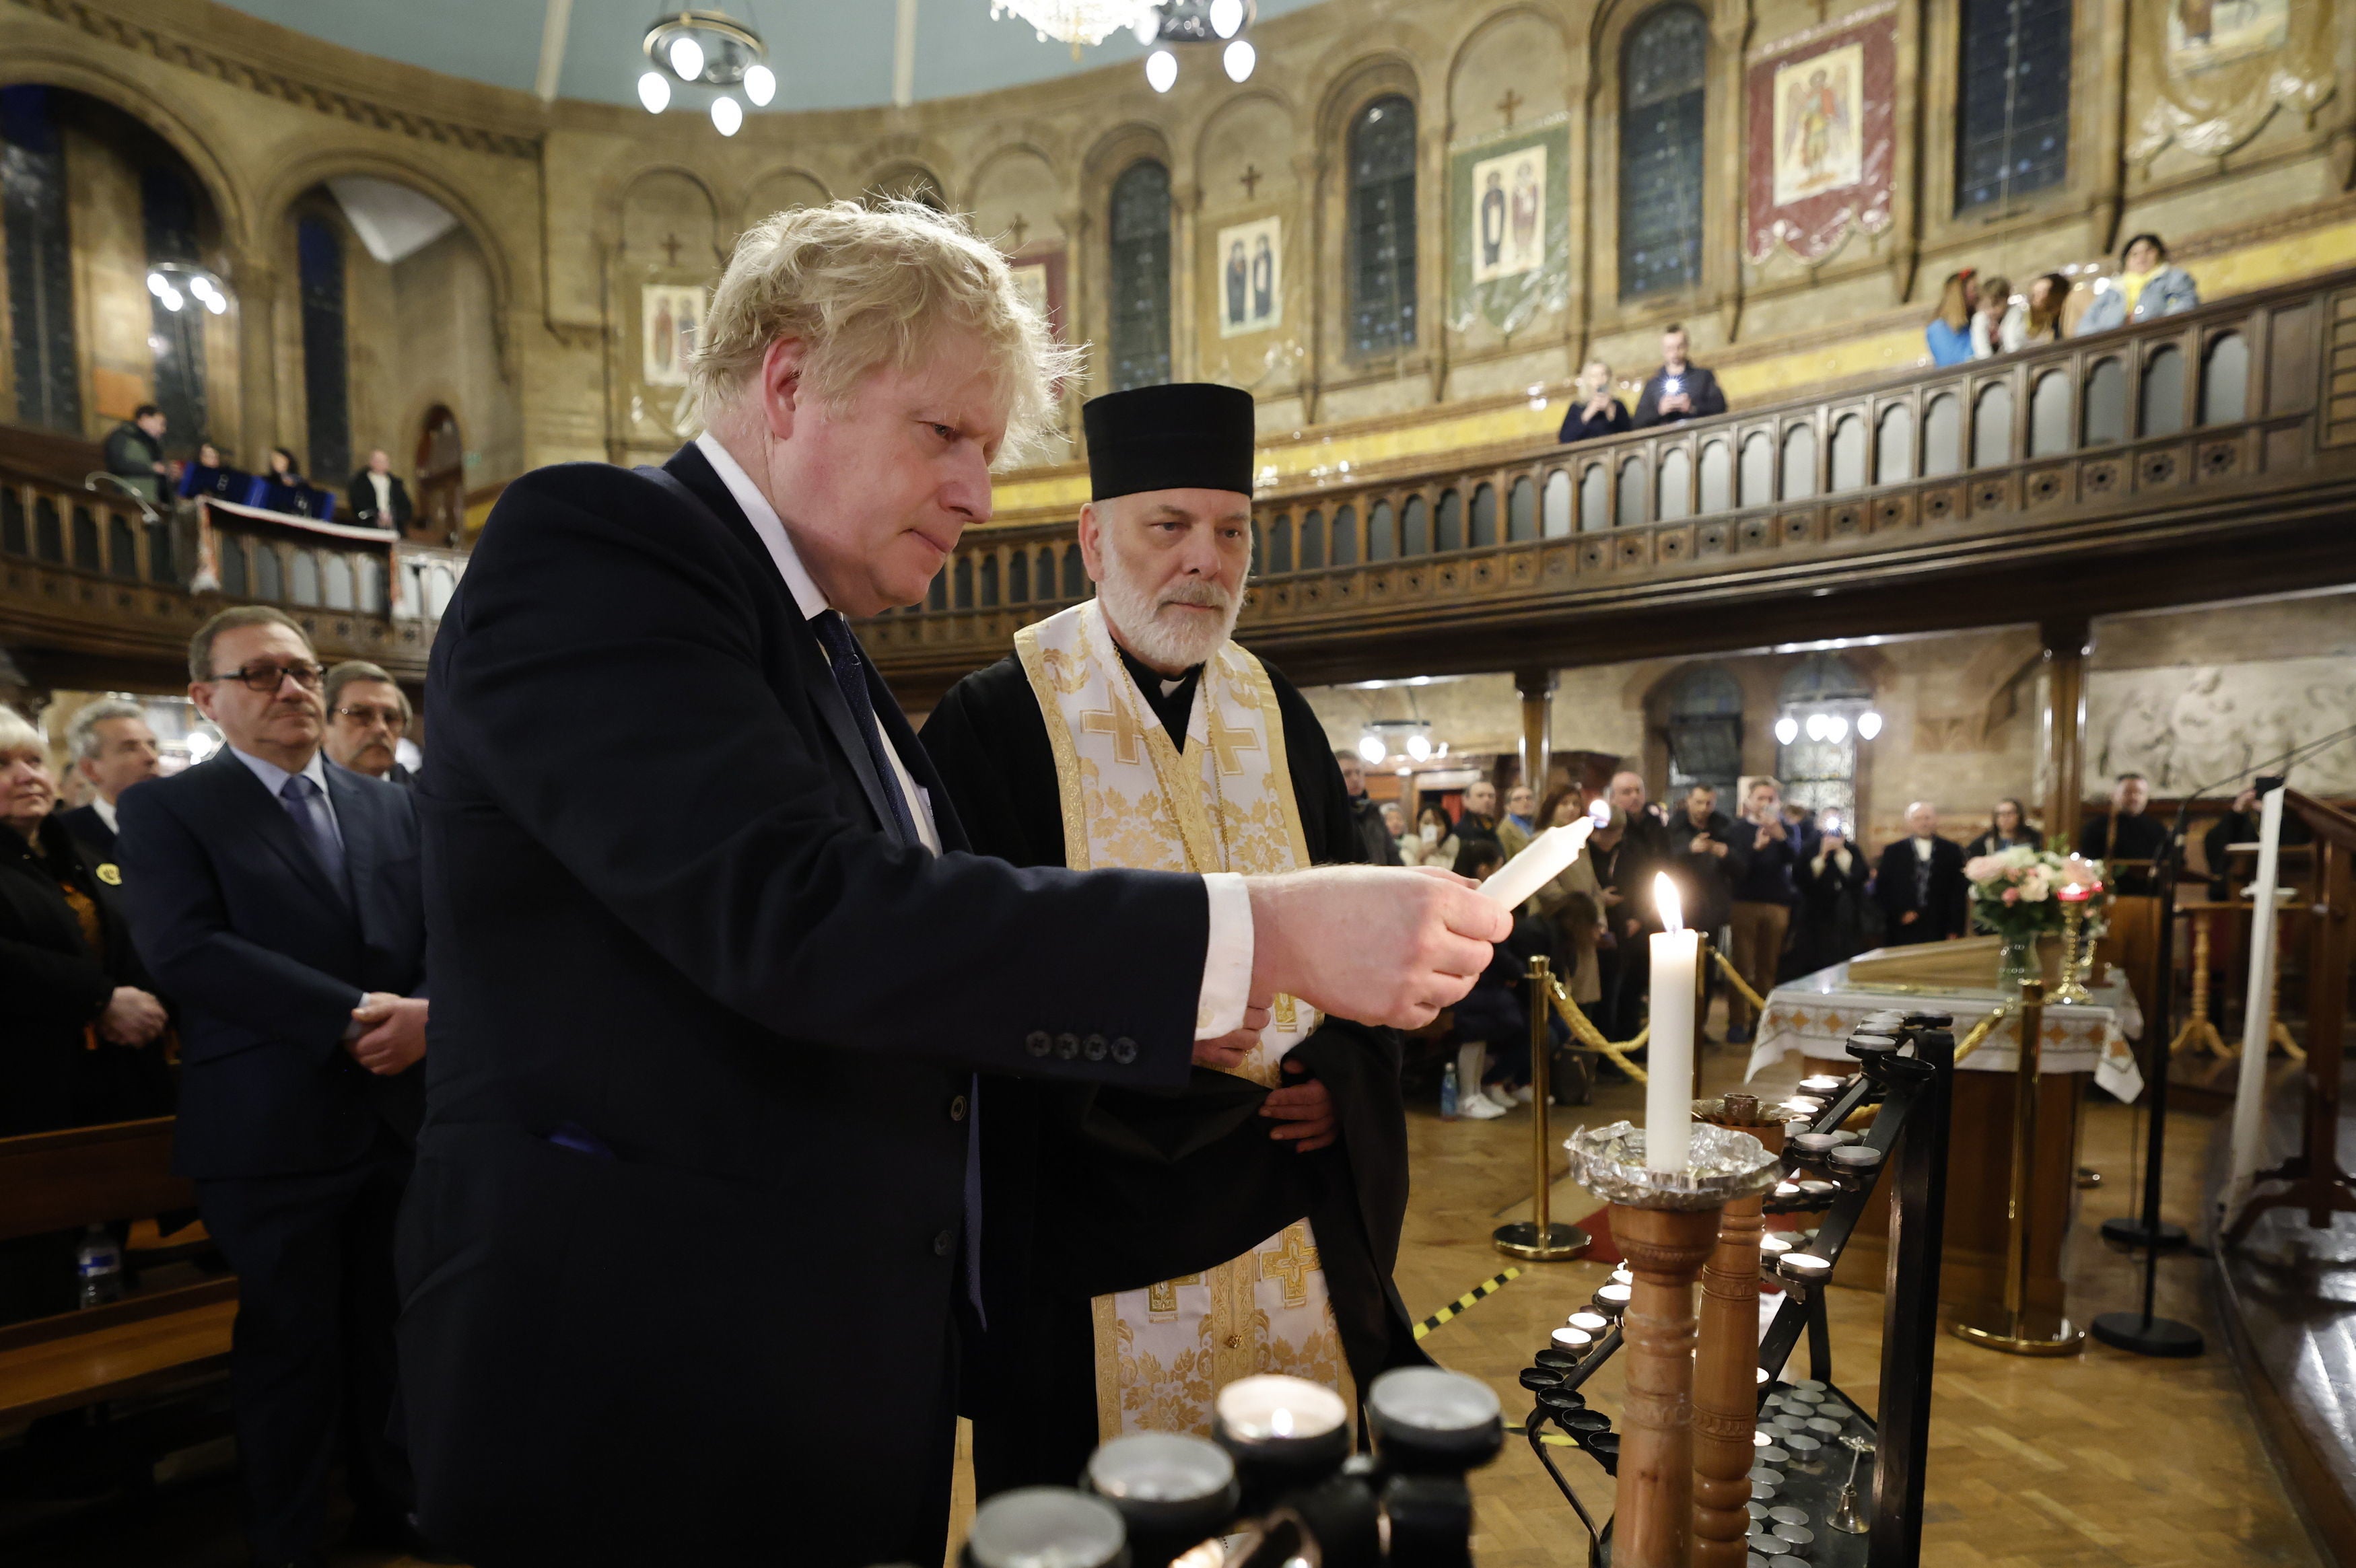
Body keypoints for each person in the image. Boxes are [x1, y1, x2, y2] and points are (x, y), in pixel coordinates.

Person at [394, 200, 1506, 1568]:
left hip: (823, 1365)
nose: (981, 497)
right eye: (949, 436)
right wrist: (1266, 930)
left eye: (990, 451)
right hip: (653, 1380)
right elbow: (806, 915)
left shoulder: (825, 647)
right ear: (790, 379)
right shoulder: (600, 550)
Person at [922, 381, 1430, 1493]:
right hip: (1094, 1229)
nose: (1208, 560)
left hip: (1290, 1207)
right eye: (1172, 526)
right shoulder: (998, 719)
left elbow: (1356, 934)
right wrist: (1139, 1047)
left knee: (1291, 1513)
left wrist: (1341, 1079)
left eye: (1232, 531)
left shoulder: (1278, 711)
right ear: (1093, 540)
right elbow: (966, 980)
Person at [115, 605, 433, 1567]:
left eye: (303, 670)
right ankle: (288, 1537)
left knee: (392, 1342)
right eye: (260, 674)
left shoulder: (389, 801)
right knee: (292, 1349)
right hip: (268, 1120)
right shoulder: (169, 808)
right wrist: (351, 1014)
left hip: (393, 1111)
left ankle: (397, 1517)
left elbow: (447, 930)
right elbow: (184, 949)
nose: (294, 688)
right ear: (204, 698)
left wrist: (426, 1014)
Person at [0, 707, 174, 1325]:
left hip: (98, 1083)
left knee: (98, 1249)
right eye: (3, 765)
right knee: (31, 1270)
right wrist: (98, 998)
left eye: (33, 761)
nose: (26, 775)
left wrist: (140, 998)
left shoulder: (62, 850)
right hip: (21, 1094)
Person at [1724, 777, 1797, 1044]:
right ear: (1749, 802)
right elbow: (1736, 866)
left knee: (1768, 966)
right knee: (1742, 964)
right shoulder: (1737, 830)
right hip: (1745, 902)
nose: (1765, 804)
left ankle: (1762, 1020)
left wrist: (1781, 838)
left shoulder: (1785, 829)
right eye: (1760, 798)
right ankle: (1737, 1022)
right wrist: (1756, 850)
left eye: (1770, 799)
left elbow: (1796, 860)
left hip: (1777, 903)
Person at [1669, 784, 1738, 1032]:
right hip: (1679, 908)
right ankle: (1676, 1025)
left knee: (1706, 969)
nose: (1703, 808)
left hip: (1710, 908)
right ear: (1688, 801)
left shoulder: (1723, 827)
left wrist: (1725, 854)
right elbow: (1661, 859)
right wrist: (1689, 850)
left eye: (1709, 803)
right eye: (1699, 802)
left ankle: (1699, 1026)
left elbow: (1740, 867)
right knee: (1677, 969)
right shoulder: (1673, 827)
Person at [57, 697, 160, 856]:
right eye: (129, 749)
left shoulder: (182, 821)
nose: (151, 757)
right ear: (90, 769)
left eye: (152, 745)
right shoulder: (64, 833)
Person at [1873, 800, 1968, 944]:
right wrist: (1899, 913)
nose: (1923, 823)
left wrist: (1955, 927)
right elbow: (1883, 888)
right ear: (1909, 822)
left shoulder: (1951, 850)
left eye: (1927, 818)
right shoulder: (1893, 851)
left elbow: (1958, 891)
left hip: (1940, 924)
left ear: (1935, 820)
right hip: (1903, 926)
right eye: (1918, 819)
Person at [1793, 813, 1875, 972]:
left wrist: (1841, 853)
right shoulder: (1809, 848)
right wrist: (1822, 856)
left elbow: (1860, 875)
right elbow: (1801, 877)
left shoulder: (1851, 849)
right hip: (1816, 914)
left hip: (1847, 914)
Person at [2075, 234, 2199, 333]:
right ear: (2126, 261)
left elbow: (2186, 303)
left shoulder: (2174, 278)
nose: (2142, 257)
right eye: (2134, 254)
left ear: (2160, 254)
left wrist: (2156, 326)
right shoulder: (2112, 290)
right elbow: (2085, 325)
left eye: (2148, 251)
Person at [322, 661, 415, 785]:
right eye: (361, 714)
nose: (381, 728)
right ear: (323, 724)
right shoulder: (298, 794)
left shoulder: (426, 799)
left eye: (390, 718)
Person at [2077, 773, 2169, 889]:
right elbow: (2088, 863)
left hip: (2149, 895)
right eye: (2128, 793)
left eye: (2139, 793)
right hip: (2109, 892)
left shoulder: (2158, 829)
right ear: (2114, 795)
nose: (2134, 797)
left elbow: (2169, 864)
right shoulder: (2097, 827)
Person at [1632, 324, 1727, 428]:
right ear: (1663, 350)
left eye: (1679, 347)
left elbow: (1720, 407)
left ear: (1687, 346)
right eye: (1670, 348)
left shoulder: (1704, 377)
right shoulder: (1653, 385)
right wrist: (1660, 410)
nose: (1675, 353)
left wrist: (1692, 407)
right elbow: (1637, 422)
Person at [1336, 748, 1403, 865]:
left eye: (1358, 772)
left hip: (1380, 879)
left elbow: (1392, 854)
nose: (1355, 779)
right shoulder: (1332, 814)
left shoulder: (1373, 812)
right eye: (1347, 774)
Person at [103, 402, 170, 507]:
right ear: (145, 418)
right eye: (160, 423)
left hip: (153, 501)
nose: (163, 429)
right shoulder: (122, 436)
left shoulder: (153, 444)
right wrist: (153, 468)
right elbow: (118, 464)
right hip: (131, 498)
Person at [247, 447, 336, 521]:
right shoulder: (267, 482)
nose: (276, 462)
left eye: (279, 459)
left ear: (287, 461)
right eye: (274, 460)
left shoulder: (300, 483)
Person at [1558, 359, 1632, 443]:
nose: (1600, 380)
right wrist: (1588, 414)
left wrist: (1611, 413)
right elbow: (1565, 439)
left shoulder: (1618, 405)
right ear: (1588, 381)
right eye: (1594, 376)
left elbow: (1629, 433)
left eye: (1603, 374)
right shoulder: (1577, 407)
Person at [347, 449, 413, 533]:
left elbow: (406, 508)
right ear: (371, 462)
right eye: (377, 461)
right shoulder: (361, 482)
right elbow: (358, 504)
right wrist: (376, 516)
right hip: (368, 526)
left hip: (393, 528)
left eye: (383, 461)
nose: (380, 464)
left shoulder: (396, 484)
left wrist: (392, 518)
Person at [1451, 779, 1504, 875]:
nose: (1487, 800)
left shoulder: (1491, 827)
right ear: (1465, 800)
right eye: (1480, 796)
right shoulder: (1459, 832)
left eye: (1491, 796)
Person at [1925, 270, 1976, 366]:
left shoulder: (1971, 321)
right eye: (1974, 289)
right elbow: (1952, 364)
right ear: (1961, 294)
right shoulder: (1938, 329)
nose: (1978, 294)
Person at [177, 437, 250, 502]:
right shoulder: (195, 475)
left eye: (214, 455)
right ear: (201, 458)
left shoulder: (225, 470)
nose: (214, 457)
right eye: (208, 456)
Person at [1964, 797, 2038, 860]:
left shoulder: (2033, 838)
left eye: (2010, 813)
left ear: (2019, 816)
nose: (2005, 818)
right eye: (2000, 814)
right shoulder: (1986, 840)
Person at [1967, 274, 2013, 359]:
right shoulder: (1980, 319)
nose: (1991, 311)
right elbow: (1981, 349)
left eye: (1995, 305)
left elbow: (2014, 345)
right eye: (1986, 307)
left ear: (2007, 299)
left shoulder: (2013, 313)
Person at [1401, 801, 1457, 868]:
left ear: (1446, 828)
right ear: (1418, 825)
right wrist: (1420, 856)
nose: (1432, 828)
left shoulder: (1456, 851)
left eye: (1438, 824)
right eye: (1426, 823)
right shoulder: (1409, 848)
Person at [1500, 782, 1537, 861]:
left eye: (1529, 798)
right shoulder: (1505, 830)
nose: (1525, 802)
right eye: (1518, 799)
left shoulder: (1540, 824)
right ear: (1508, 807)